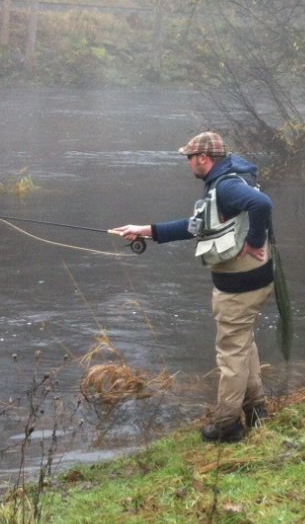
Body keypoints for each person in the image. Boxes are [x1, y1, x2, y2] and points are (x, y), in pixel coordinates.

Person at [110, 131, 275, 443]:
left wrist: (254, 242)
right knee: (243, 345)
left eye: (189, 158)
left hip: (240, 288)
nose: (187, 163)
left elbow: (262, 204)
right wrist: (147, 231)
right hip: (254, 281)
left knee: (230, 354)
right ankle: (257, 411)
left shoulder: (225, 186)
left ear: (204, 158)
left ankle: (227, 424)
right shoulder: (230, 179)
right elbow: (198, 225)